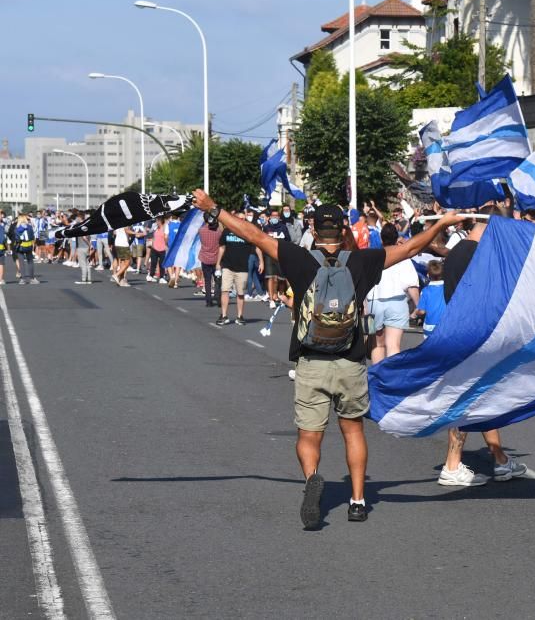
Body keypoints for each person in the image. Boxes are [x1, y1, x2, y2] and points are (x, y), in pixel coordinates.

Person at [192, 188, 466, 527]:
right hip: (350, 361)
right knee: (352, 431)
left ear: (314, 229)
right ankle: (357, 500)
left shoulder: (298, 258)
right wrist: (444, 222)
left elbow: (254, 234)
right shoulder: (364, 262)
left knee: (309, 435)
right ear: (344, 229)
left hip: (311, 361)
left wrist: (214, 208)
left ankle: (311, 480)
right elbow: (411, 246)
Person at [438, 206, 528, 486]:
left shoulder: (459, 251)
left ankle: (499, 459)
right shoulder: (475, 255)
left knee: (483, 397)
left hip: (465, 331)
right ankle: (452, 466)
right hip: (472, 334)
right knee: (465, 399)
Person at [369, 224, 419, 364]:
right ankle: (391, 378)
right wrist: (418, 305)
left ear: (381, 238)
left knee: (378, 345)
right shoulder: (403, 258)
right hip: (397, 302)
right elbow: (411, 284)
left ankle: (377, 378)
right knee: (394, 345)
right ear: (397, 238)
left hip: (376, 301)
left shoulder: (373, 257)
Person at [217, 220, 261, 326]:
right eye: (238, 218)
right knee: (225, 290)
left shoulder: (247, 233)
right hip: (227, 266)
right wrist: (218, 262)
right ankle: (223, 315)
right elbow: (222, 247)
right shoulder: (227, 231)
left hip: (242, 268)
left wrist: (261, 262)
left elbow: (257, 247)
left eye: (243, 219)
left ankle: (240, 316)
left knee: (240, 293)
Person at [264, 209, 291, 308]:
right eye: (273, 216)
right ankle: (271, 299)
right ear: (270, 217)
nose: (274, 218)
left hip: (281, 255)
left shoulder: (283, 228)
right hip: (269, 256)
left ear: (279, 218)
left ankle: (280, 295)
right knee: (271, 277)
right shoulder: (266, 228)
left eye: (276, 216)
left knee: (281, 279)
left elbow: (288, 240)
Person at [198, 215, 223, 309]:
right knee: (218, 280)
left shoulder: (201, 230)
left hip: (205, 257)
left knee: (207, 281)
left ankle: (208, 300)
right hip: (216, 259)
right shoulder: (218, 232)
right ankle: (218, 297)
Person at [13, 214, 39, 285]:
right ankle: (32, 278)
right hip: (29, 246)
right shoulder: (30, 227)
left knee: (21, 263)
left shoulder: (17, 227)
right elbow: (32, 236)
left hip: (20, 246)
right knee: (30, 262)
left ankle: (23, 279)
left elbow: (17, 238)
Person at [73, 214, 92, 285]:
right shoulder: (88, 227)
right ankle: (89, 279)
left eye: (77, 219)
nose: (76, 220)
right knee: (87, 264)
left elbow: (84, 237)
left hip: (82, 247)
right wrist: (90, 246)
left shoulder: (81, 227)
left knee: (83, 264)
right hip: (86, 248)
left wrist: (89, 244)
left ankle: (84, 280)